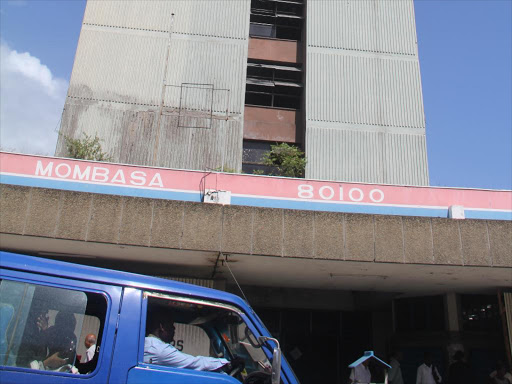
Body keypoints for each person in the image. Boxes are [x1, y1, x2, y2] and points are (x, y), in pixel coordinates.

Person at [144, 307, 242, 372]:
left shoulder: (150, 344)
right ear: (162, 327)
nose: (174, 329)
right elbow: (193, 363)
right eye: (171, 325)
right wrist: (227, 364)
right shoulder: (158, 349)